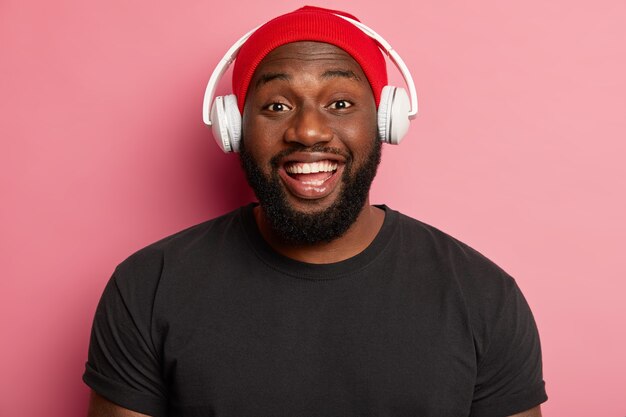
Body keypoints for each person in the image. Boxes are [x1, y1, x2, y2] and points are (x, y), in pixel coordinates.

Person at [84, 6, 547, 417]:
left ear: (386, 120)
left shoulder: (484, 297)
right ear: (233, 127)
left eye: (341, 103)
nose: (307, 131)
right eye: (277, 105)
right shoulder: (148, 286)